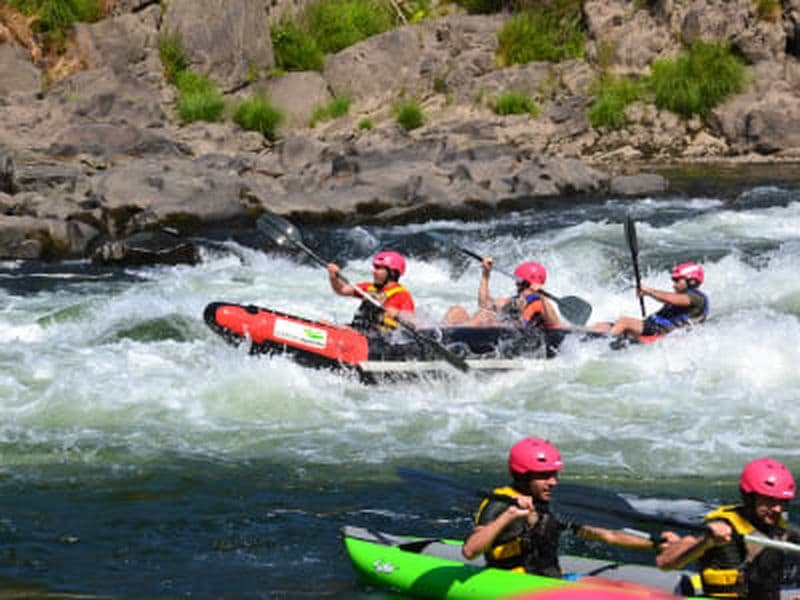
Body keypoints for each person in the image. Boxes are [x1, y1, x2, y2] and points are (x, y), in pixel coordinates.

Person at [462, 437, 654, 577]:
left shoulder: (553, 503)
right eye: (544, 476)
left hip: (552, 581)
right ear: (523, 476)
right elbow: (471, 551)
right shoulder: (500, 502)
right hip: (512, 582)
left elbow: (607, 534)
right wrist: (510, 515)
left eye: (554, 474)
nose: (553, 482)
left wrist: (656, 545)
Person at [657, 458, 800, 600]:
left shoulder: (779, 527)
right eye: (770, 500)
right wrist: (707, 541)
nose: (778, 508)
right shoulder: (722, 525)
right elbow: (664, 563)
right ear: (749, 497)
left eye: (782, 502)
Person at [594, 262, 708, 338]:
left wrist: (648, 291)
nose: (674, 285)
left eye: (677, 281)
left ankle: (600, 343)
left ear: (691, 281)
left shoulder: (697, 298)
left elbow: (672, 299)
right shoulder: (684, 296)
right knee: (605, 325)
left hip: (664, 332)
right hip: (654, 326)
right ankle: (586, 332)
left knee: (624, 321)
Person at [442, 258, 563, 329]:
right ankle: (438, 335)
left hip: (516, 339)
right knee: (456, 311)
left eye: (520, 283)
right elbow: (484, 304)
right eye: (518, 283)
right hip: (496, 330)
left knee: (485, 315)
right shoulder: (514, 301)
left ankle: (452, 337)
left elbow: (553, 322)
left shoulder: (540, 303)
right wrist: (485, 275)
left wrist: (541, 294)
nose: (517, 286)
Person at [327, 250, 415, 333]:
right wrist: (333, 278)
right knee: (327, 324)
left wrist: (398, 314)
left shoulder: (402, 295)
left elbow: (413, 323)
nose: (374, 272)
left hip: (381, 339)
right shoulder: (369, 287)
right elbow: (341, 290)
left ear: (392, 272)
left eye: (379, 268)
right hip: (360, 330)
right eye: (375, 268)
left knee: (344, 329)